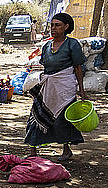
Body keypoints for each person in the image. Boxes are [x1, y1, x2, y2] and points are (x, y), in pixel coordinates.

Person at [25, 13, 87, 162]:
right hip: (48, 87)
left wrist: (82, 90)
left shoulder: (72, 44)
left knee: (61, 119)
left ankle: (66, 150)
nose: (53, 28)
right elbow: (44, 65)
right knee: (37, 115)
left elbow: (78, 68)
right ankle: (33, 150)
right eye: (52, 25)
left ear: (66, 27)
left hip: (65, 87)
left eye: (57, 25)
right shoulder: (46, 46)